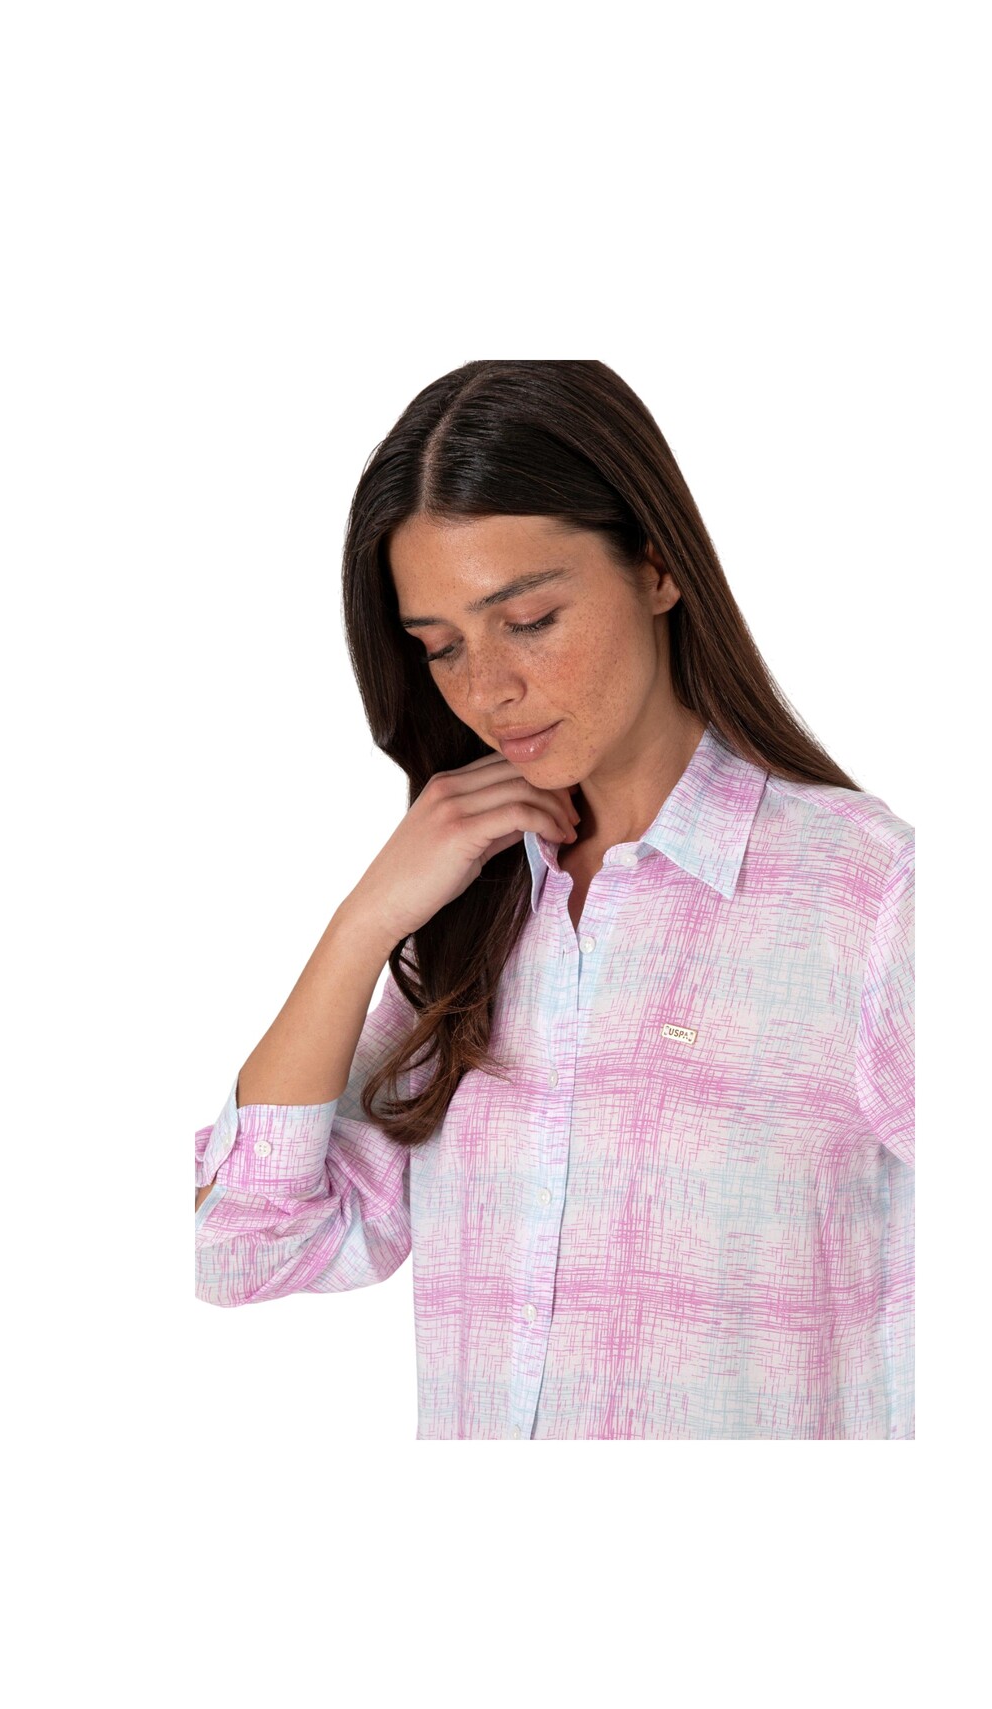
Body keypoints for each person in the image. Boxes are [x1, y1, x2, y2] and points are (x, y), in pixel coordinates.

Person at [194, 359, 915, 1440]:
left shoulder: (867, 894)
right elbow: (239, 1245)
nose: (487, 690)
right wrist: (364, 925)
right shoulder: (469, 919)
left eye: (528, 618)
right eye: (440, 648)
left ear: (658, 567)